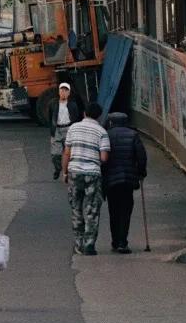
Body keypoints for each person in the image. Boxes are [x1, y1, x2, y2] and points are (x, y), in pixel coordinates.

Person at [61, 99, 111, 256]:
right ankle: (89, 245)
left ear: (84, 114)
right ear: (99, 116)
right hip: (93, 174)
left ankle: (78, 243)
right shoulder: (102, 132)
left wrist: (65, 173)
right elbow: (104, 158)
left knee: (76, 208)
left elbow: (67, 153)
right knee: (92, 210)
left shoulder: (73, 128)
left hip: (75, 172)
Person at [104, 110, 148, 253]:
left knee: (113, 211)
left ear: (111, 122)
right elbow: (141, 156)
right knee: (125, 211)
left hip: (111, 180)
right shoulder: (133, 135)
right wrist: (141, 172)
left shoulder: (106, 135)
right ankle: (123, 242)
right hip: (128, 179)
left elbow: (103, 157)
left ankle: (115, 241)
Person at [48, 81, 83, 180]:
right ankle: (58, 168)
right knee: (55, 154)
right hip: (57, 129)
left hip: (69, 129)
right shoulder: (53, 103)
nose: (63, 92)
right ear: (58, 92)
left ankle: (68, 171)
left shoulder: (73, 105)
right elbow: (50, 117)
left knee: (70, 153)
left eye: (66, 91)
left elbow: (76, 118)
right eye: (61, 90)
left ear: (69, 93)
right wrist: (52, 130)